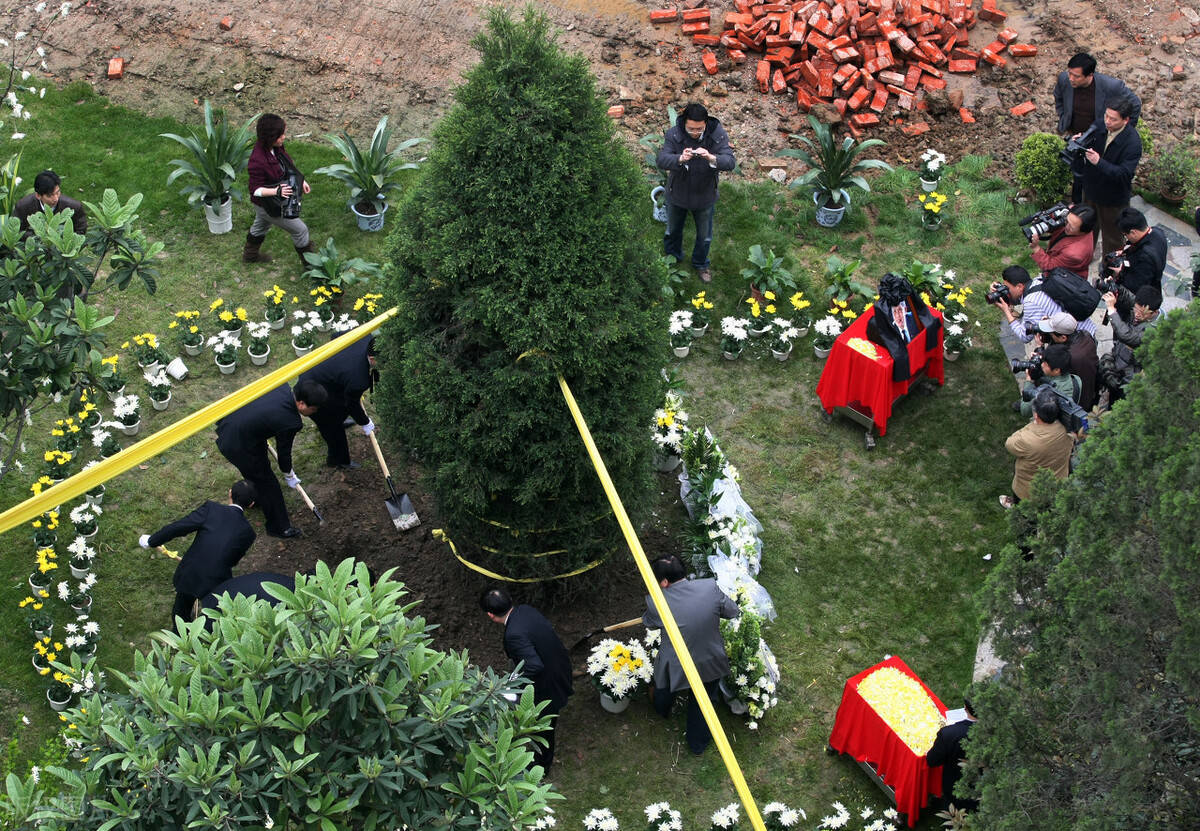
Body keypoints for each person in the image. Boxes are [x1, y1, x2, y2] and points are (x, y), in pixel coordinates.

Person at [642, 554, 740, 755]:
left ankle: (662, 709)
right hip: (709, 661)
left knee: (664, 687)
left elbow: (649, 623)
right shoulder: (709, 588)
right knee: (704, 702)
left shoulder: (657, 602)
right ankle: (698, 745)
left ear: (664, 582)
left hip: (676, 666)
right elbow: (732, 611)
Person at [215, 380, 327, 539]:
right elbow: (284, 452)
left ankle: (256, 497)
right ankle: (279, 527)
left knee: (259, 473)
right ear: (302, 404)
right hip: (238, 444)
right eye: (314, 409)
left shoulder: (279, 386)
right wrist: (288, 473)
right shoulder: (291, 421)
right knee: (268, 484)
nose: (314, 412)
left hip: (236, 425)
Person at [138, 480, 257, 624]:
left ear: (230, 493)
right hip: (218, 580)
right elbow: (233, 560)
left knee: (180, 610)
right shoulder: (249, 533)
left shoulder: (211, 509)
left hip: (191, 572)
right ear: (251, 504)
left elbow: (180, 527)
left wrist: (152, 541)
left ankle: (180, 637)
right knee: (215, 615)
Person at [480, 587, 573, 771]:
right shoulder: (525, 610)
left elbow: (534, 665)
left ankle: (541, 767)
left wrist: (511, 684)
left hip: (548, 684)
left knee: (544, 728)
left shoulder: (513, 634)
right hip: (560, 666)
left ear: (490, 615)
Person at [656, 102, 736, 284]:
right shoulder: (674, 134)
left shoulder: (717, 135)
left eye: (699, 129)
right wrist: (679, 158)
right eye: (691, 128)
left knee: (705, 235)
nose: (695, 132)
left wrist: (711, 157)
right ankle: (672, 258)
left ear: (706, 124)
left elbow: (730, 162)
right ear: (684, 122)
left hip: (705, 195)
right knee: (672, 230)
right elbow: (661, 159)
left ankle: (700, 263)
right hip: (678, 193)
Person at [1053, 53, 1140, 203]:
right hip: (1078, 135)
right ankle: (1077, 202)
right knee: (1077, 170)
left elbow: (1135, 104)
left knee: (1097, 169)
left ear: (1090, 75)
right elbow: (1058, 97)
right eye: (1070, 73)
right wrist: (1064, 118)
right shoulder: (1064, 79)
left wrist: (1121, 131)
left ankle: (1096, 202)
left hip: (1099, 137)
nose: (1071, 78)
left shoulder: (1112, 86)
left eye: (1076, 76)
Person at [245, 113, 315, 267]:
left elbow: (287, 165)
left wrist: (301, 181)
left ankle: (250, 256)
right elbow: (255, 190)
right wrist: (277, 191)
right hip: (268, 205)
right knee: (300, 230)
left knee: (261, 224)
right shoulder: (257, 161)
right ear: (270, 137)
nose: (284, 137)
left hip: (268, 204)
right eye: (280, 135)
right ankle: (312, 267)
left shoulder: (275, 147)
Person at [297, 333, 377, 469]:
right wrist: (365, 422)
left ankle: (340, 420)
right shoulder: (358, 379)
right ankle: (338, 460)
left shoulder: (364, 336)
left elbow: (336, 335)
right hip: (312, 389)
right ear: (372, 358)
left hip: (329, 377)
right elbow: (352, 404)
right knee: (331, 427)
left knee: (340, 408)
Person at [1074, 96, 1142, 256]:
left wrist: (1099, 162)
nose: (1107, 121)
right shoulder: (1099, 125)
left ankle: (1109, 271)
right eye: (1106, 116)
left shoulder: (1132, 143)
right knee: (1087, 230)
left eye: (1113, 119)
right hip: (1091, 191)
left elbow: (1124, 174)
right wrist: (1079, 142)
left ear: (1125, 120)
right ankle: (1084, 257)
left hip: (1113, 200)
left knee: (1113, 239)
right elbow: (1089, 142)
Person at [1000, 387, 1075, 508]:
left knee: (1025, 512)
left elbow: (1010, 443)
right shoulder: (1068, 430)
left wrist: (1033, 425)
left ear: (1036, 415)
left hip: (1028, 490)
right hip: (1056, 483)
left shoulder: (1027, 439)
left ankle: (1018, 509)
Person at [991, 265, 1097, 347]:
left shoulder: (1032, 302)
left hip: (1079, 342)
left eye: (1007, 288)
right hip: (1087, 329)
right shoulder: (1038, 281)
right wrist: (1003, 294)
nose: (1006, 291)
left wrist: (1006, 311)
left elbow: (1025, 336)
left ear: (1019, 286)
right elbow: (1019, 298)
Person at [1098, 284, 1163, 407]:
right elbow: (1128, 297)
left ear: (1154, 312)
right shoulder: (1143, 307)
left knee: (1118, 402)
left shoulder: (1154, 330)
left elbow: (1126, 335)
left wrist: (1111, 309)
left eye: (1141, 312)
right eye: (1136, 309)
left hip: (1129, 376)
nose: (1137, 314)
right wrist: (1114, 289)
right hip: (1120, 360)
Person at [1037, 312, 1098, 413]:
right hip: (1092, 389)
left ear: (1063, 337)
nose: (1050, 335)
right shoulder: (1085, 335)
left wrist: (1040, 349)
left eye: (1051, 333)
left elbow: (1051, 372)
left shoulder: (1070, 356)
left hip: (1078, 401)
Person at [925, 699, 979, 812]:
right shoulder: (996, 733)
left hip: (954, 786)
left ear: (965, 708)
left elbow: (931, 760)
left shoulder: (949, 734)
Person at [1027, 203, 1096, 280]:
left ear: (1083, 232)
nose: (1066, 226)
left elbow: (1050, 267)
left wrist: (1036, 248)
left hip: (1066, 280)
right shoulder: (1078, 220)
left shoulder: (1074, 254)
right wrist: (1046, 219)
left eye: (1071, 227)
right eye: (1066, 221)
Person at [13, 169, 88, 238]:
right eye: (50, 195)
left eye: (57, 192)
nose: (56, 198)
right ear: (38, 195)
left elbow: (81, 230)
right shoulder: (23, 207)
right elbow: (17, 232)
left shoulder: (74, 207)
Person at [1111, 207, 1167, 295]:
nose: (1125, 238)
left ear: (1133, 232)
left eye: (1125, 235)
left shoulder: (1145, 257)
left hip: (1142, 296)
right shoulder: (1157, 232)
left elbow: (1135, 286)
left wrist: (1120, 273)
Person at [1016, 344, 1079, 420]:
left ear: (1056, 370)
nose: (1042, 365)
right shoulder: (1076, 379)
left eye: (1045, 364)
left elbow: (1025, 411)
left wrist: (1029, 380)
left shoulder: (1049, 393)